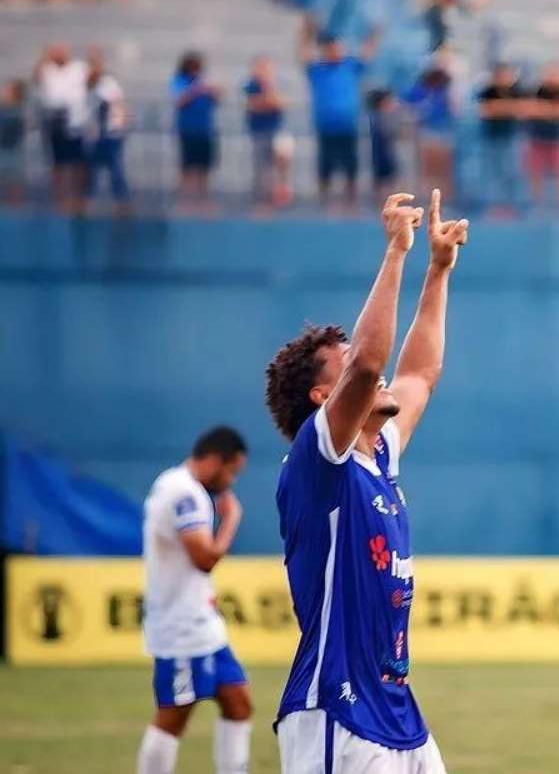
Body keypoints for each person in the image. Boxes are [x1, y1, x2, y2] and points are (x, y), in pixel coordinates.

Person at [267, 190, 467, 774]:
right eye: (346, 363)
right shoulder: (318, 461)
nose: (368, 371)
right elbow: (373, 364)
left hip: (397, 709)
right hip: (336, 710)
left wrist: (437, 268)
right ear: (323, 397)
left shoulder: (380, 454)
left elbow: (419, 372)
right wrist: (396, 254)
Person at [135, 426, 251, 774]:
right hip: (181, 628)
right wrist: (230, 519)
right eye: (231, 471)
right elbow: (204, 558)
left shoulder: (172, 482)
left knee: (238, 702)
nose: (230, 481)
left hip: (202, 624)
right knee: (173, 716)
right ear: (215, 460)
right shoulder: (185, 493)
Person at [298, 19, 379, 206]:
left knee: (350, 165)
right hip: (326, 126)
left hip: (348, 125)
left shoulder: (350, 66)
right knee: (325, 165)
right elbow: (303, 54)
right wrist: (307, 32)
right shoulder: (317, 69)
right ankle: (324, 202)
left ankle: (350, 203)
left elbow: (367, 54)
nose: (337, 50)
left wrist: (373, 34)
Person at [35, 44, 90, 213]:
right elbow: (37, 78)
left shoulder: (78, 68)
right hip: (54, 120)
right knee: (57, 162)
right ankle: (60, 198)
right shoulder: (47, 69)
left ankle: (79, 198)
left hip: (75, 121)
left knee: (78, 161)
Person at [171, 51, 222, 208]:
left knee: (204, 167)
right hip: (187, 129)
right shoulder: (180, 81)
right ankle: (185, 200)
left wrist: (212, 90)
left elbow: (217, 98)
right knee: (187, 166)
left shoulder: (204, 81)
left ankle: (203, 200)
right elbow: (179, 101)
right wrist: (196, 90)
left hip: (205, 129)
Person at [525, 62, 559, 209]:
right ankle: (536, 205)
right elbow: (530, 109)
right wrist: (551, 110)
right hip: (538, 141)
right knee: (535, 175)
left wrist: (548, 110)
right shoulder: (538, 91)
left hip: (557, 141)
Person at [404, 63, 457, 204]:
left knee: (443, 171)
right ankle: (428, 200)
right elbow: (406, 107)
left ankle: (444, 201)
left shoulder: (443, 92)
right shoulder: (419, 90)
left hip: (443, 132)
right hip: (426, 132)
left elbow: (453, 111)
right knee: (428, 170)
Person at [85, 48, 130, 212]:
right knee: (91, 171)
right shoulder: (86, 84)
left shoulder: (108, 82)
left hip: (110, 133)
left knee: (115, 168)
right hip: (94, 134)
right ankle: (87, 202)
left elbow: (117, 104)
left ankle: (121, 203)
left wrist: (120, 124)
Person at [477, 62, 526, 215]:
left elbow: (525, 109)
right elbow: (485, 110)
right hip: (491, 139)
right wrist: (508, 108)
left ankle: (511, 206)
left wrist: (500, 108)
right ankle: (494, 207)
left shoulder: (517, 90)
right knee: (493, 173)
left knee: (511, 173)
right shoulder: (488, 91)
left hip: (511, 138)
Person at [243, 56, 289, 211]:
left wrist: (268, 92)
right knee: (261, 168)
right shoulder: (250, 85)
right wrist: (267, 100)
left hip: (275, 130)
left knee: (279, 164)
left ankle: (277, 198)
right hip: (258, 132)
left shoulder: (276, 84)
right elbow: (253, 105)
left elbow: (279, 104)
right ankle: (261, 202)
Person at [367, 89, 403, 200]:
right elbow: (389, 132)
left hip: (384, 154)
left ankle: (383, 200)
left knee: (385, 180)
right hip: (382, 155)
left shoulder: (377, 117)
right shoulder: (379, 118)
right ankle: (383, 202)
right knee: (385, 181)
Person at [0, 79, 26, 205]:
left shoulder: (19, 111)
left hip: (13, 152)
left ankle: (15, 208)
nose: (3, 93)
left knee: (14, 183)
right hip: (4, 151)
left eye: (7, 90)